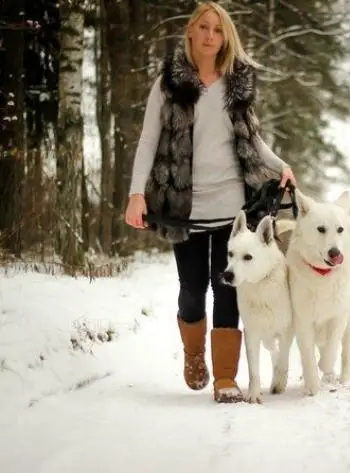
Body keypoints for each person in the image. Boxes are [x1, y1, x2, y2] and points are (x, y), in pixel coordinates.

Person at [123, 1, 296, 403]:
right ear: (190, 32)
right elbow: (148, 139)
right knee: (192, 288)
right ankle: (194, 354)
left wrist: (281, 166)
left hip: (231, 204)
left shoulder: (237, 83)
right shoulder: (170, 81)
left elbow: (252, 139)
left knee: (227, 289)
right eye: (203, 27)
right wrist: (136, 194)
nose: (210, 35)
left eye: (218, 30)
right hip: (183, 207)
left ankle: (225, 378)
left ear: (226, 37)